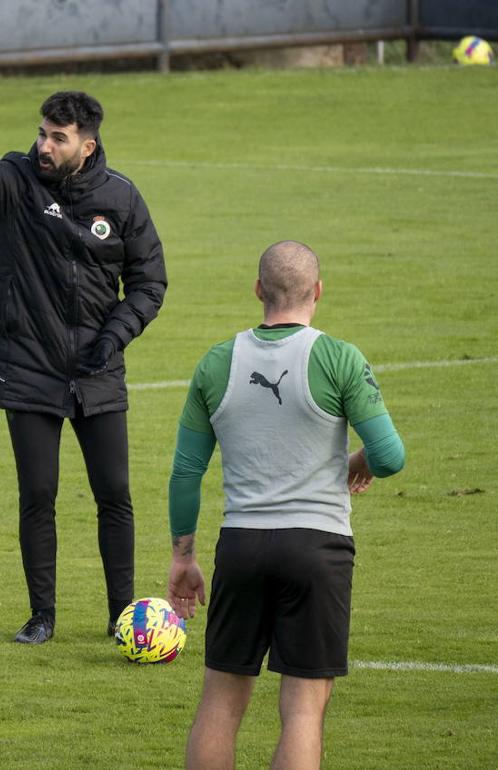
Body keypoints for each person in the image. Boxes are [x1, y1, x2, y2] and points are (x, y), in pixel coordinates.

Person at [0, 82, 167, 644]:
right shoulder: (17, 182)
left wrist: (114, 336)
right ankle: (42, 616)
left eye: (58, 138)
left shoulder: (122, 199)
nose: (44, 146)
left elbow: (149, 283)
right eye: (42, 133)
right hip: (27, 365)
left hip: (97, 370)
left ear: (88, 145)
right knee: (38, 495)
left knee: (114, 494)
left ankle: (123, 617)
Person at [165, 241, 406, 769]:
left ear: (258, 291)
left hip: (242, 546)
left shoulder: (217, 362)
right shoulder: (339, 357)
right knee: (302, 710)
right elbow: (390, 456)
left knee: (221, 701)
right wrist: (359, 459)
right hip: (317, 548)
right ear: (318, 291)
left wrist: (183, 554)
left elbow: (186, 472)